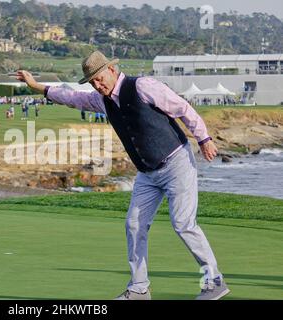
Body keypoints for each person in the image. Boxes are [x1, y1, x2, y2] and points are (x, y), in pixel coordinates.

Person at [16, 51, 229, 300]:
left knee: (183, 224)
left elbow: (182, 108)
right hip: (147, 174)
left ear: (112, 70)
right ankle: (139, 288)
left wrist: (204, 139)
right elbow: (72, 97)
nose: (97, 85)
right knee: (134, 225)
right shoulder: (101, 100)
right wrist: (36, 86)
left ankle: (214, 281)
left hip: (177, 163)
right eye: (93, 82)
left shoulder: (143, 86)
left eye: (99, 78)